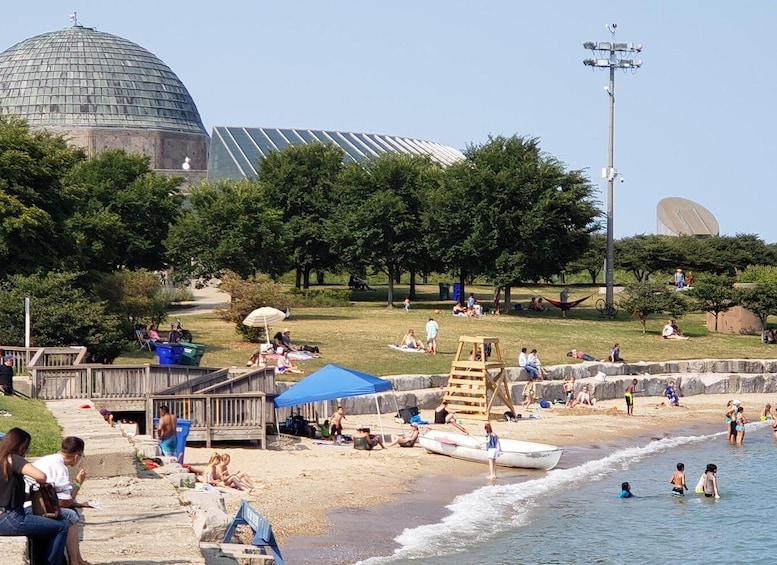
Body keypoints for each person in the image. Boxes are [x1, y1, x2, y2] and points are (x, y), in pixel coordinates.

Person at [0, 428, 70, 565]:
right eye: (26, 448)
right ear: (20, 446)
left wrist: (29, 496)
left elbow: (8, 494)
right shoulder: (13, 459)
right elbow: (41, 476)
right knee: (62, 526)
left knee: (47, 523)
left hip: (3, 516)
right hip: (12, 518)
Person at [30, 436, 90, 565]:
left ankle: (77, 559)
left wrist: (78, 503)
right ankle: (74, 560)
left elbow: (58, 497)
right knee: (71, 515)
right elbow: (65, 502)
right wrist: (78, 483)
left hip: (33, 501)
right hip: (33, 506)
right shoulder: (60, 468)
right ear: (76, 456)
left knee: (72, 510)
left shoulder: (50, 459)